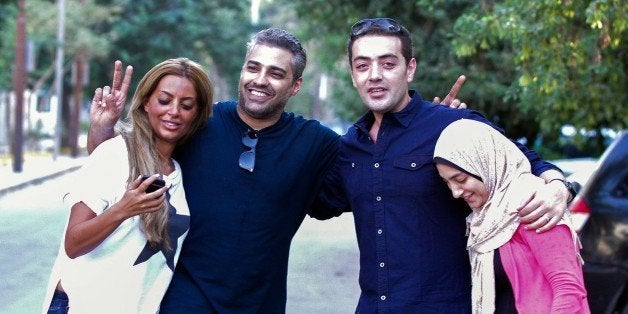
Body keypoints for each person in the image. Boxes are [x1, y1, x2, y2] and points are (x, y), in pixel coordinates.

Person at [310, 17, 576, 313]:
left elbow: (528, 162)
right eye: (362, 66)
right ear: (352, 75)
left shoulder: (452, 125)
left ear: (410, 69)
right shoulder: (350, 148)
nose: (374, 75)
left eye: (388, 64)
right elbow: (318, 204)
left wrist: (558, 187)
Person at [42, 57, 214, 313]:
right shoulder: (115, 152)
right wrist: (123, 208)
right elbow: (73, 243)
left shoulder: (177, 171)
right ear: (146, 102)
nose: (174, 111)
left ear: (197, 114)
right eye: (164, 100)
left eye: (187, 105)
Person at [433, 119, 589, 313]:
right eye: (447, 182)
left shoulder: (533, 202)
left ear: (486, 163)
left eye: (461, 179)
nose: (456, 192)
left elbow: (569, 291)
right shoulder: (486, 215)